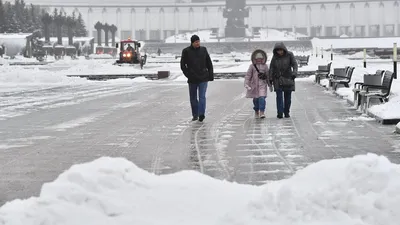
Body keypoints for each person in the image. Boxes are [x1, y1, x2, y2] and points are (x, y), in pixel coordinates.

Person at [180, 35, 214, 122]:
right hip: (192, 78)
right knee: (193, 98)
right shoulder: (186, 51)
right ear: (192, 42)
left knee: (202, 97)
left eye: (198, 41)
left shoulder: (203, 50)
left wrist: (210, 75)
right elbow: (183, 65)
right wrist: (188, 74)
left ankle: (201, 114)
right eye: (196, 42)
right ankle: (195, 114)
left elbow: (209, 63)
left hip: (203, 77)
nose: (198, 43)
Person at [269, 42, 298, 119]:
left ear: (284, 49)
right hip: (278, 79)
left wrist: (294, 73)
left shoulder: (290, 55)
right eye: (278, 50)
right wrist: (270, 78)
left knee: (287, 97)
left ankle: (286, 111)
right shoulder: (275, 57)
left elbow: (295, 64)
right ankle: (280, 113)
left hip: (288, 78)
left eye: (281, 50)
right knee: (279, 96)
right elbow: (271, 67)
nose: (280, 52)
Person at [244, 50, 271, 119]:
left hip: (262, 85)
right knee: (256, 100)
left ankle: (262, 112)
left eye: (260, 59)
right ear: (254, 59)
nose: (259, 60)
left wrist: (269, 84)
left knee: (262, 98)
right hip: (254, 86)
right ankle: (256, 110)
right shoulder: (252, 66)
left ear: (263, 59)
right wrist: (247, 84)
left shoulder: (265, 66)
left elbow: (268, 76)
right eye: (257, 59)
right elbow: (248, 75)